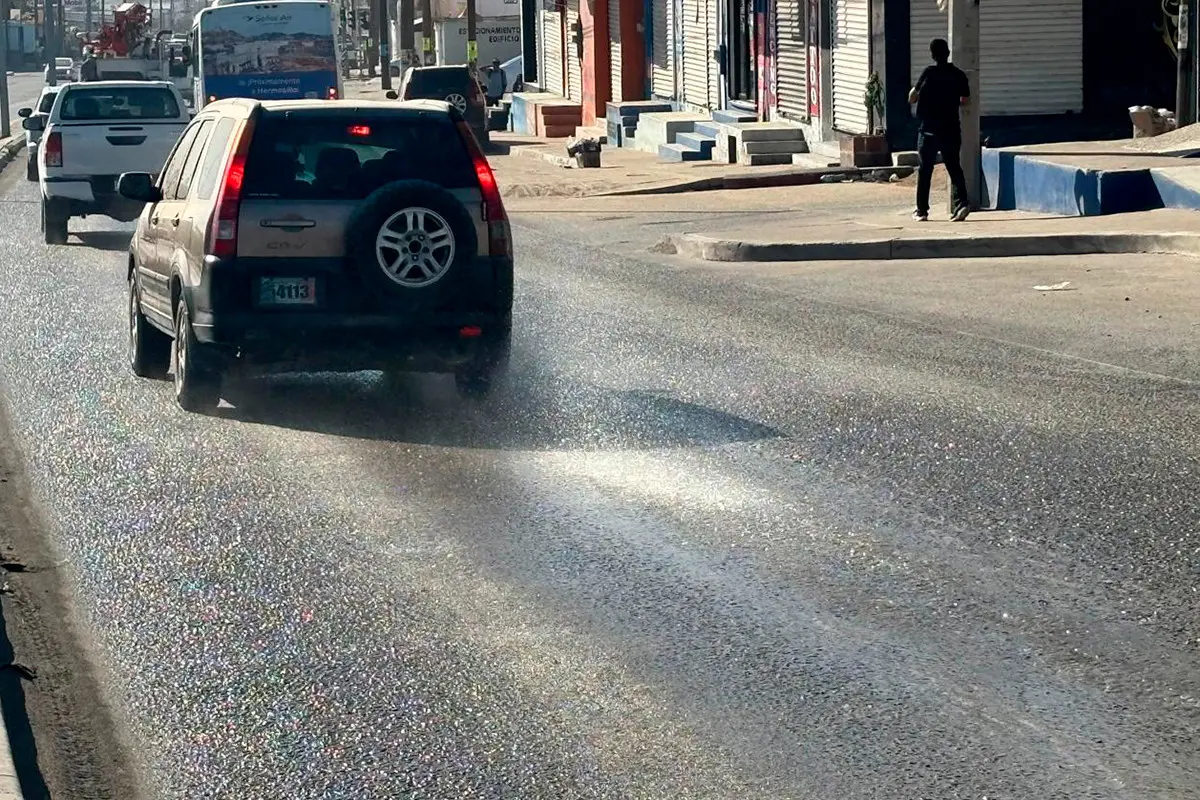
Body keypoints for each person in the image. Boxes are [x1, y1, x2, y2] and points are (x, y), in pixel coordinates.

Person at [908, 37, 970, 222]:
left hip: (928, 130)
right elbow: (965, 100)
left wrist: (915, 94)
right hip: (951, 128)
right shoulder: (959, 75)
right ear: (948, 53)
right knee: (954, 167)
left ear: (933, 55)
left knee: (925, 170)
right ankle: (962, 204)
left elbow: (912, 97)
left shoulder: (928, 73)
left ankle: (922, 211)